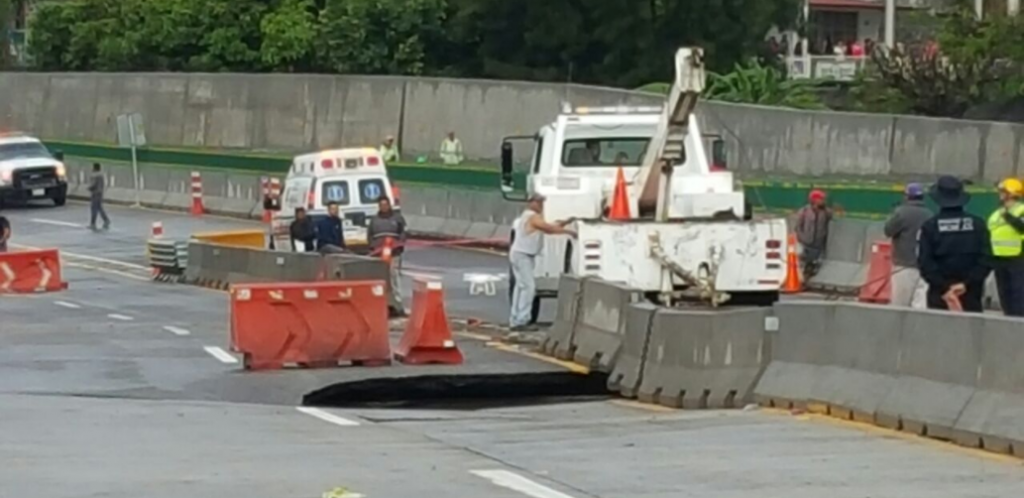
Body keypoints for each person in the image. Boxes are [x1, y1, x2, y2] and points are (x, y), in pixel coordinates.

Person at [918, 176, 991, 313]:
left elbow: (925, 262)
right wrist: (966, 284)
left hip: (940, 295)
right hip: (971, 294)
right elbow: (986, 259)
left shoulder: (930, 227)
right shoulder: (978, 224)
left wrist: (945, 287)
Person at [509, 194, 575, 331]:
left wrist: (564, 222)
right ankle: (522, 320)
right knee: (529, 287)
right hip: (523, 255)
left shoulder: (528, 216)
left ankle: (515, 319)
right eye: (539, 202)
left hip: (521, 254)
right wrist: (568, 232)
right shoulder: (532, 216)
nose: (541, 205)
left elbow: (548, 226)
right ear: (532, 203)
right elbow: (548, 229)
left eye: (542, 203)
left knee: (521, 287)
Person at [884, 183, 932, 308]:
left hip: (903, 265)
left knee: (899, 306)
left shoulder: (901, 212)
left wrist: (891, 216)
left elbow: (888, 230)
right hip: (924, 267)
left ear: (907, 197)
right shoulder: (930, 215)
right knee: (920, 306)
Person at [987, 178, 1024, 316]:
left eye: (1003, 191)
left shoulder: (1021, 210)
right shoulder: (996, 214)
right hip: (998, 258)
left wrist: (1007, 215)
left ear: (1011, 193)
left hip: (1018, 258)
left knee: (1018, 295)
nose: (1000, 194)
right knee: (1004, 295)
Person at [367, 197, 408, 316]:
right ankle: (381, 305)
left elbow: (403, 234)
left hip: (394, 254)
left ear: (389, 205)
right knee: (380, 280)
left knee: (394, 279)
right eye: (381, 205)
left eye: (386, 205)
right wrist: (373, 248)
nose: (384, 207)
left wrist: (398, 247)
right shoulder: (374, 220)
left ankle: (398, 305)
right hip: (379, 255)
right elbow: (370, 236)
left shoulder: (398, 219)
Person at [795, 189, 832, 280]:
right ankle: (804, 276)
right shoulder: (804, 211)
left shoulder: (825, 212)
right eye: (821, 199)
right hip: (806, 241)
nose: (823, 201)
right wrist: (801, 237)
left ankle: (810, 275)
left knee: (815, 263)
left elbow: (831, 216)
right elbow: (798, 226)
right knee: (805, 261)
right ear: (814, 200)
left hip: (818, 242)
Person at [88, 162, 110, 230]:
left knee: (94, 208)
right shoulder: (101, 175)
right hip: (100, 193)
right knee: (99, 208)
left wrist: (89, 188)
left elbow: (93, 185)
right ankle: (106, 220)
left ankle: (93, 223)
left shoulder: (95, 175)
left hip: (95, 193)